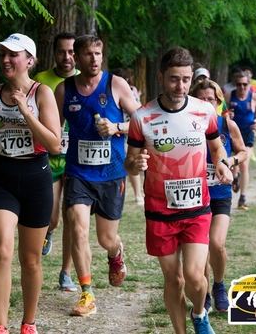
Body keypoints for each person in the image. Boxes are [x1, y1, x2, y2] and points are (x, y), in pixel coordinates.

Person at [125, 47, 233, 334]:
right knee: (174, 280)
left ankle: (199, 313)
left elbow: (215, 145)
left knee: (195, 277)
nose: (181, 86)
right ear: (162, 77)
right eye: (174, 79)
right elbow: (130, 163)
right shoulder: (142, 117)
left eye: (186, 79)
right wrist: (136, 163)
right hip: (160, 212)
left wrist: (221, 163)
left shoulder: (204, 110)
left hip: (197, 209)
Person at [0, 33, 61, 334]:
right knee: (3, 250)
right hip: (2, 178)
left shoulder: (41, 93)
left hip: (36, 178)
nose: (6, 59)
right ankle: (0, 327)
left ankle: (28, 323)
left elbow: (55, 144)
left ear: (29, 60)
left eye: (13, 54)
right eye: (3, 54)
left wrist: (25, 111)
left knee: (30, 259)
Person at [55, 35, 140, 317]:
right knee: (77, 225)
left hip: (111, 174)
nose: (94, 59)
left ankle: (116, 253)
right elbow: (53, 129)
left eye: (98, 53)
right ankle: (86, 293)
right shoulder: (64, 90)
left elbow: (142, 121)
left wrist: (116, 127)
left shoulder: (115, 84)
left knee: (106, 239)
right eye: (88, 54)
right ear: (77, 59)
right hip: (78, 172)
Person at [191, 80, 247, 313]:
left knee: (216, 243)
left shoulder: (227, 124)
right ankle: (202, 292)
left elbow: (243, 152)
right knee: (200, 247)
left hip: (221, 193)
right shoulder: (188, 125)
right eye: (202, 99)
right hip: (195, 194)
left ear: (219, 102)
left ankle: (219, 285)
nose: (207, 103)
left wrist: (230, 161)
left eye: (211, 100)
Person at [33, 32, 78, 292]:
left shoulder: (85, 80)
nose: (67, 57)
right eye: (62, 51)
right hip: (49, 156)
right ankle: (48, 231)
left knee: (72, 217)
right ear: (54, 54)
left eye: (72, 52)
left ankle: (66, 273)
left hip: (77, 158)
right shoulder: (41, 80)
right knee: (52, 218)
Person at [225, 71, 256, 210]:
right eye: (239, 84)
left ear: (249, 84)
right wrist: (228, 114)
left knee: (244, 164)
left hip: (247, 133)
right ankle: (235, 177)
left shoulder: (254, 96)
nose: (242, 87)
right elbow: (223, 110)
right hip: (233, 133)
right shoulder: (230, 95)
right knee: (234, 163)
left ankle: (243, 197)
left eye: (245, 84)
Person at [112, 67, 144, 206]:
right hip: (117, 134)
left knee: (131, 162)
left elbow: (139, 112)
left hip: (128, 131)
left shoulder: (131, 91)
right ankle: (133, 194)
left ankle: (138, 194)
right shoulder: (111, 90)